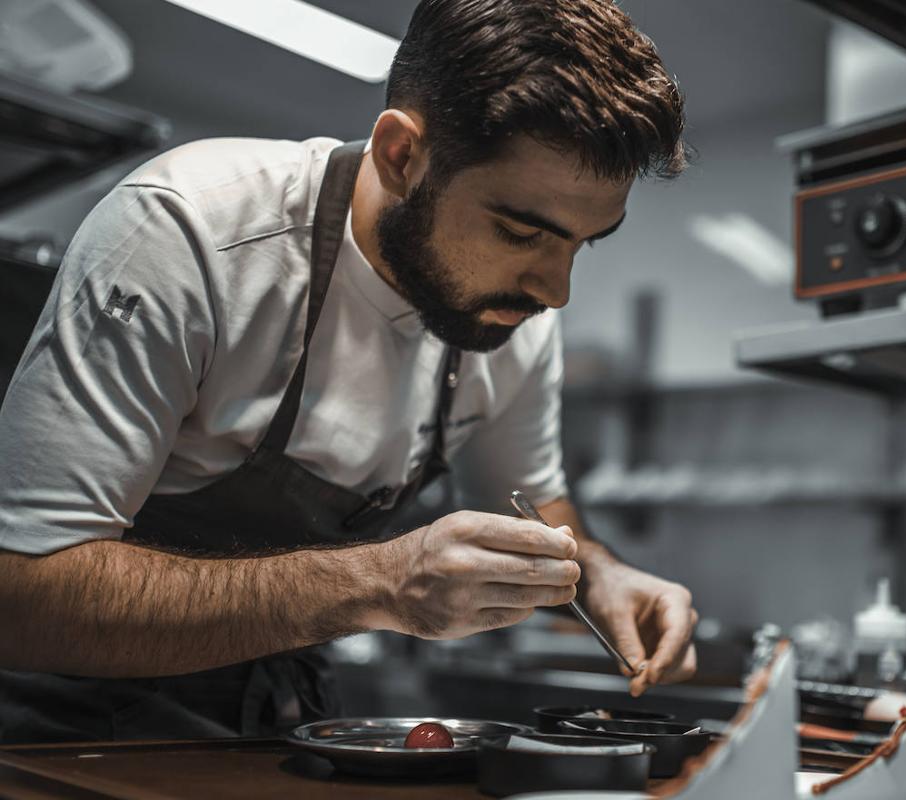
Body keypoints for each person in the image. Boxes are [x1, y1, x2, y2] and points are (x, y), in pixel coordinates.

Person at [0, 0, 697, 743]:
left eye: (585, 245)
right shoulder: (190, 234)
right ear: (402, 156)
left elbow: (538, 514)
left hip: (278, 725)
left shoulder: (512, 321)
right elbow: (22, 597)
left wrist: (598, 576)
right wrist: (377, 583)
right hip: (64, 732)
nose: (554, 291)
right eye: (522, 231)